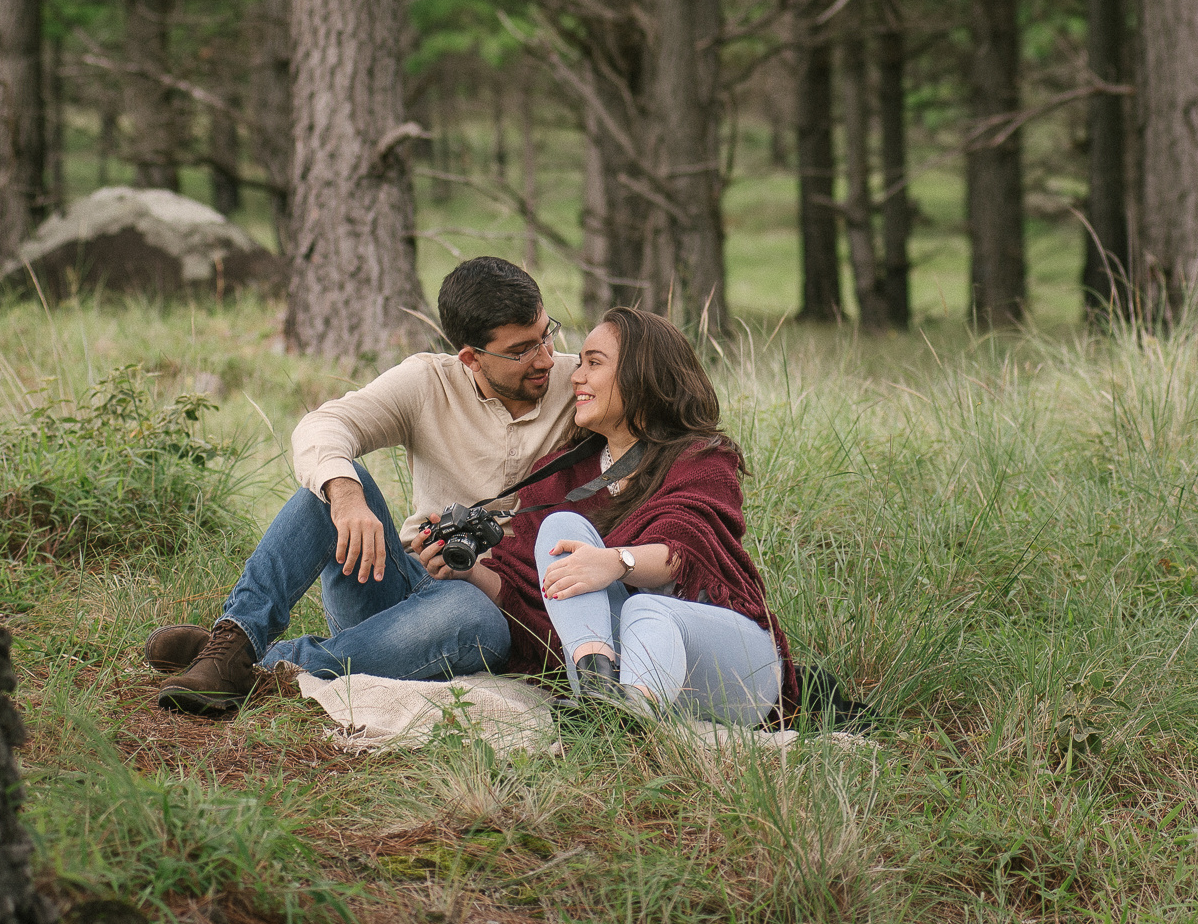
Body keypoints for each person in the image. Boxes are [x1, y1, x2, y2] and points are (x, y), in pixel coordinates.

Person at [150, 256, 577, 714]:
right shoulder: (428, 381)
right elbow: (325, 424)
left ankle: (261, 664)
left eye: (545, 335)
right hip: (399, 580)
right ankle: (235, 639)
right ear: (470, 357)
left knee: (472, 617)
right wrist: (347, 497)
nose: (545, 358)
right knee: (333, 483)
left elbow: (637, 409)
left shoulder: (581, 386)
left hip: (490, 603)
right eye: (521, 351)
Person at [409, 306, 800, 726]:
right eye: (579, 364)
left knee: (646, 611)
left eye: (593, 363)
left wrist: (615, 562)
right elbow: (528, 596)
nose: (575, 377)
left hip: (730, 667)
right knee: (561, 527)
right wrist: (468, 572)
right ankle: (602, 696)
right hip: (629, 663)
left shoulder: (701, 459)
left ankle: (626, 712)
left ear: (641, 374)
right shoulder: (559, 477)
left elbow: (688, 550)